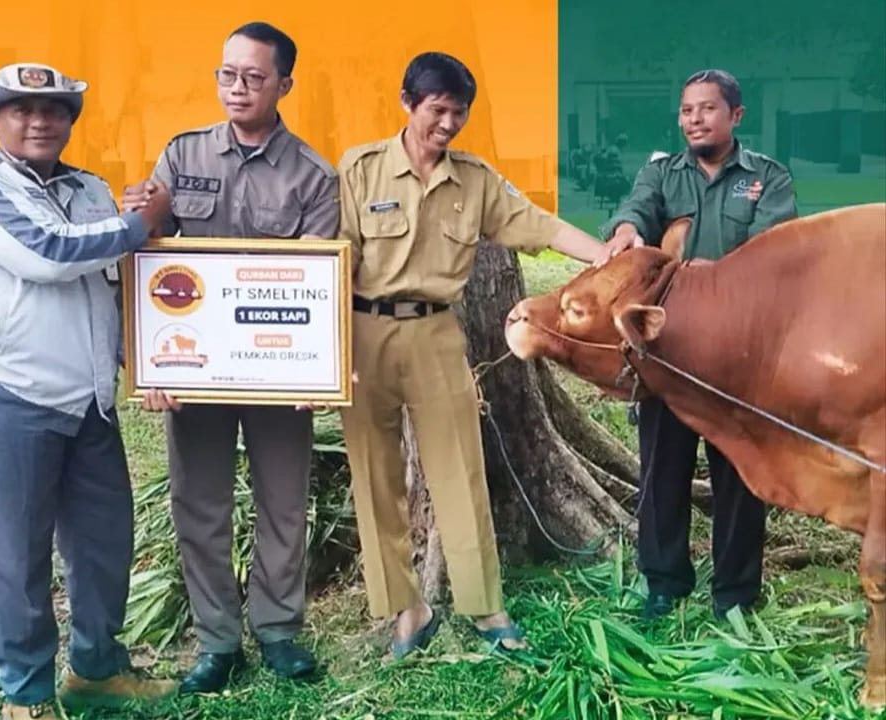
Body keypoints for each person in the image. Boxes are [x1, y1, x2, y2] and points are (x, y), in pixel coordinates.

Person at [336, 51, 614, 659]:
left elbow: (537, 225)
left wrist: (604, 257)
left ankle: (485, 605)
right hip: (360, 333)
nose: (448, 125)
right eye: (437, 110)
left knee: (460, 469)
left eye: (458, 113)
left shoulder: (476, 180)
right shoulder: (359, 170)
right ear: (407, 102)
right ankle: (406, 606)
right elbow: (334, 259)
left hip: (437, 333)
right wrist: (331, 349)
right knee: (376, 476)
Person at [0, 64, 177, 719]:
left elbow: (116, 282)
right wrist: (139, 224)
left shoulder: (90, 188)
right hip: (5, 395)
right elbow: (47, 253)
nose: (39, 120)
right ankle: (27, 696)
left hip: (87, 399)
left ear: (70, 122)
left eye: (54, 110)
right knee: (16, 555)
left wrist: (150, 365)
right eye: (21, 109)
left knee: (104, 546)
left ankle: (96, 670)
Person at [123, 22, 339, 693]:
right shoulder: (181, 157)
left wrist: (317, 371)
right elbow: (146, 250)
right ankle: (217, 641)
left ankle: (278, 630)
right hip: (193, 374)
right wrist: (149, 368)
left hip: (279, 377)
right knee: (200, 504)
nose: (237, 88)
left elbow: (320, 286)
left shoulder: (313, 176)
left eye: (253, 77)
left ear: (284, 85)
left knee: (282, 503)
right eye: (227, 74)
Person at [601, 69, 797, 620]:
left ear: (735, 116)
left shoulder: (767, 179)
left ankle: (735, 595)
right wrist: (624, 231)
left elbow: (775, 255)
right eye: (687, 110)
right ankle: (663, 584)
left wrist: (712, 279)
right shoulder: (663, 174)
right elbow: (637, 209)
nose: (694, 119)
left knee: (737, 475)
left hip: (737, 358)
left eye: (707, 109)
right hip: (666, 350)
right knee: (662, 471)